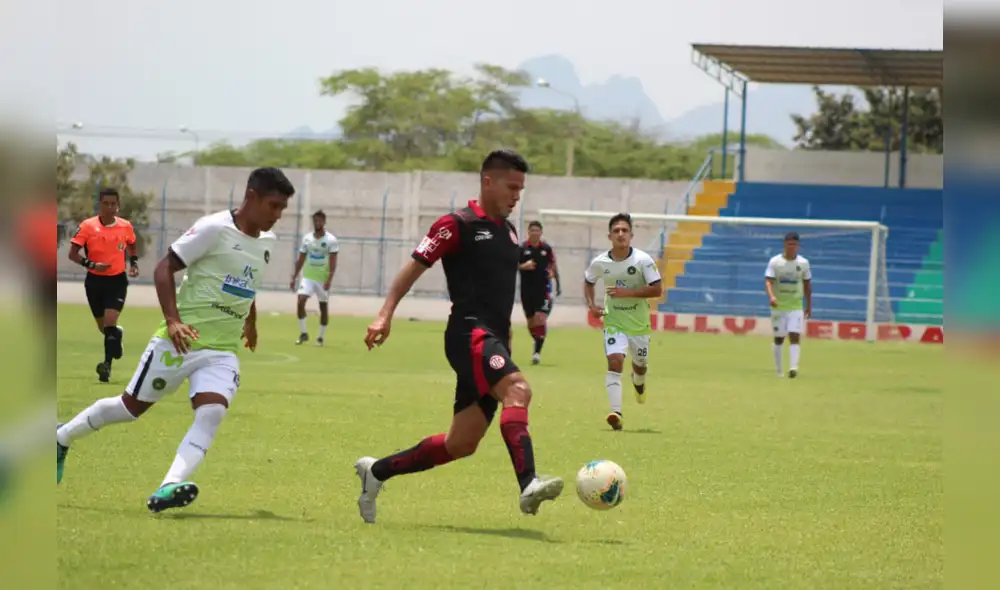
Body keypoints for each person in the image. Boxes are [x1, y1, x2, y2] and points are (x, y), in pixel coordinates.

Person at [56, 167, 295, 513]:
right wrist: (173, 321)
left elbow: (247, 283)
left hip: (221, 351)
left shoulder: (267, 244)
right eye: (274, 206)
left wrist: (251, 323)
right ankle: (61, 437)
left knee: (211, 411)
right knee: (129, 409)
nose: (277, 216)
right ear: (252, 197)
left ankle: (168, 487)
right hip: (179, 342)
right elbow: (164, 268)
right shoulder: (214, 228)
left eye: (282, 209)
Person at [355, 149, 564, 524]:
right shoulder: (456, 224)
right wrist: (384, 315)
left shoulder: (510, 230)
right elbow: (412, 269)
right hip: (468, 333)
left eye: (521, 188)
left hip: (493, 337)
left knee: (461, 444)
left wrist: (514, 335)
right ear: (488, 181)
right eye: (511, 187)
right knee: (519, 390)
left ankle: (377, 472)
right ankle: (529, 483)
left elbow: (499, 290)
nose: (517, 195)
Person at [583, 213, 663, 431]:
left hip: (639, 324)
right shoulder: (600, 262)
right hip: (613, 322)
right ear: (609, 235)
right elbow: (589, 281)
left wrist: (627, 292)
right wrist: (592, 305)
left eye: (624, 230)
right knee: (615, 361)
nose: (620, 234)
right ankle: (616, 413)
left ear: (631, 235)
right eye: (616, 231)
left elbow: (657, 289)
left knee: (640, 367)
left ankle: (639, 383)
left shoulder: (643, 260)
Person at [67, 188, 139, 383]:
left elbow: (132, 244)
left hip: (117, 281)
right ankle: (117, 335)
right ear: (100, 205)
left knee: (109, 321)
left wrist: (133, 263)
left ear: (118, 205)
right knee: (105, 328)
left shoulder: (125, 226)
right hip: (94, 282)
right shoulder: (87, 226)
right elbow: (72, 254)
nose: (110, 208)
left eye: (113, 204)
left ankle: (106, 366)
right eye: (106, 204)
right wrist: (92, 265)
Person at [764, 232, 812, 378]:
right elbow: (768, 281)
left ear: (798, 246)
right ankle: (779, 371)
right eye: (789, 244)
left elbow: (807, 285)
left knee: (794, 335)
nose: (792, 247)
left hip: (795, 306)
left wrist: (808, 305)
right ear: (784, 244)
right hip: (778, 306)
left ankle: (793, 368)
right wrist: (771, 296)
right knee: (779, 338)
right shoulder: (775, 262)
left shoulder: (803, 263)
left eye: (794, 244)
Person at [290, 209, 339, 346]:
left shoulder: (331, 240)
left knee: (323, 307)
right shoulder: (307, 239)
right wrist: (294, 277)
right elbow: (300, 259)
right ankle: (304, 333)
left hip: (322, 279)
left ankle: (320, 337)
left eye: (320, 220)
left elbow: (333, 262)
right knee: (300, 301)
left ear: (324, 221)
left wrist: (329, 280)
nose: (317, 223)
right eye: (315, 220)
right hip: (308, 278)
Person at [518, 221, 561, 365]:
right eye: (532, 230)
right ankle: (538, 340)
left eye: (537, 230)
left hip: (543, 291)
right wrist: (524, 266)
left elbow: (553, 266)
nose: (535, 233)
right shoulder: (522, 248)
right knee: (531, 323)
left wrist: (557, 283)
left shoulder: (546, 249)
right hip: (526, 291)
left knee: (540, 318)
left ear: (541, 232)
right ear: (528, 232)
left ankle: (536, 353)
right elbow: (512, 266)